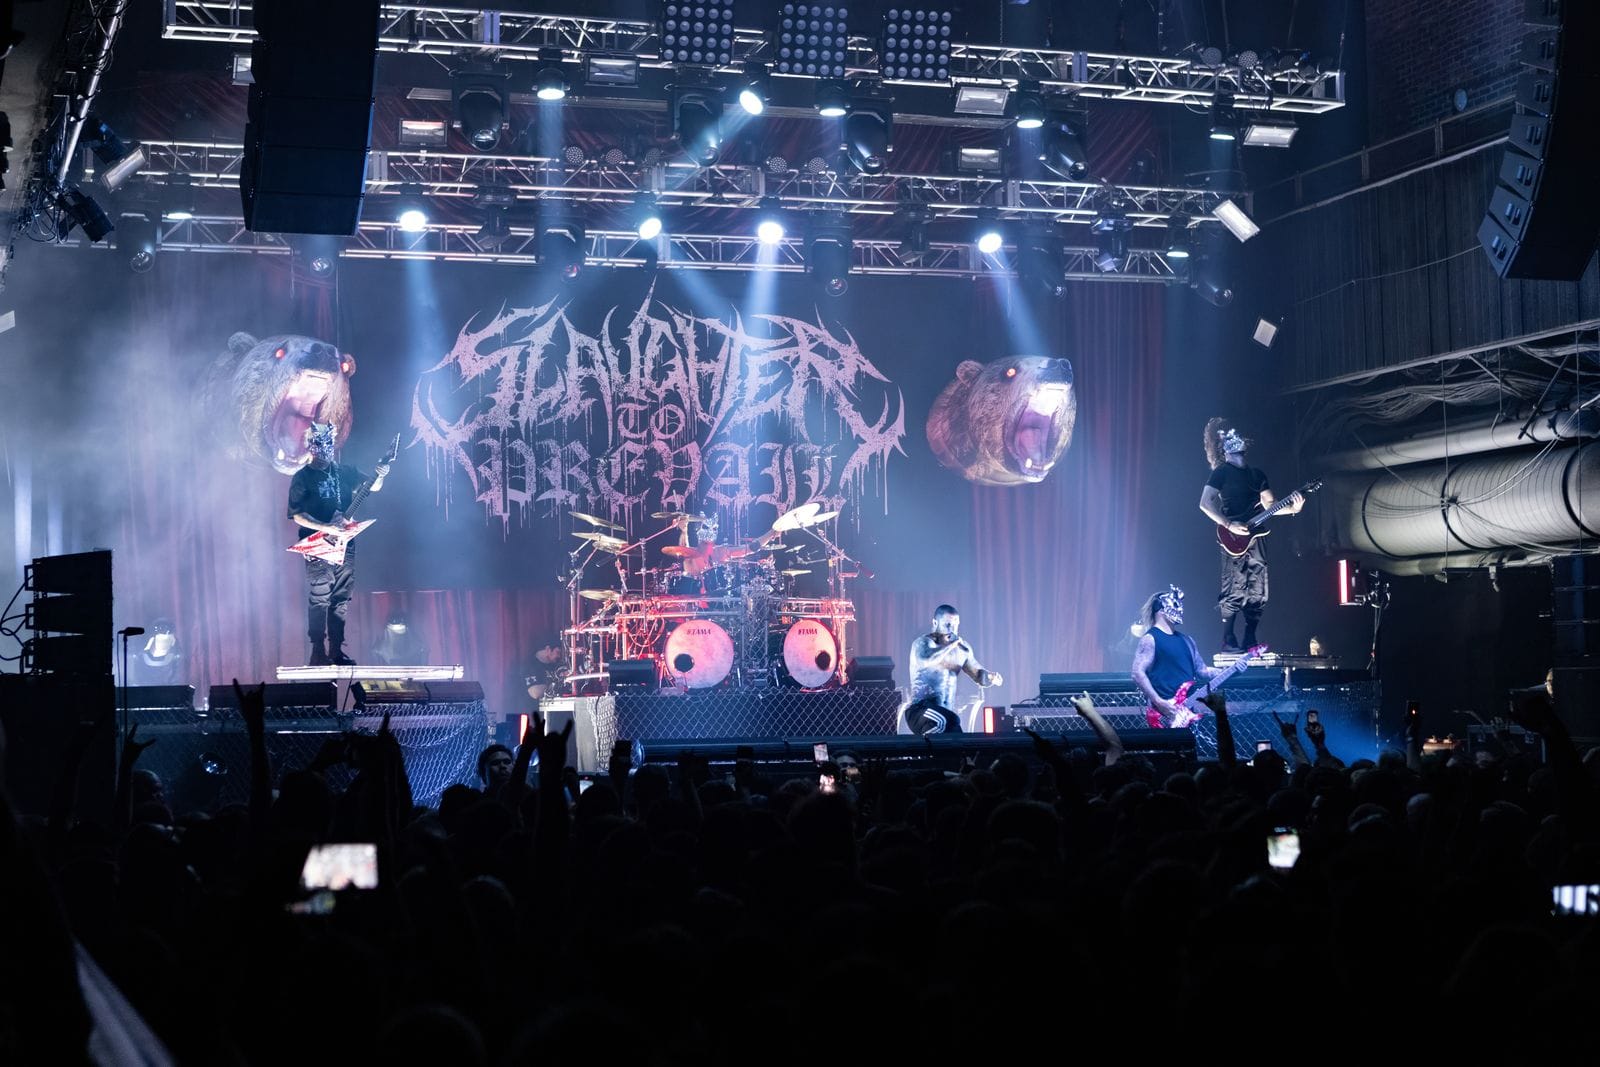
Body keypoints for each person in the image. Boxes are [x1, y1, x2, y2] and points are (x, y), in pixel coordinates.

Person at [288, 422, 389, 665]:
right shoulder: (303, 477)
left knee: (341, 596)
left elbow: (372, 486)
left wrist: (381, 474)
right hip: (317, 544)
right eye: (321, 445)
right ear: (312, 446)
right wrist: (327, 528)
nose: (326, 451)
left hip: (345, 543)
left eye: (329, 445)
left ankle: (336, 649)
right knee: (320, 594)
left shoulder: (345, 472)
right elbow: (297, 514)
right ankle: (317, 650)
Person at [1197, 418, 1302, 652]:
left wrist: (1294, 508)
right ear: (1224, 448)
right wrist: (1228, 524)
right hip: (1233, 536)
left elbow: (1271, 505)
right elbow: (1205, 503)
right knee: (1234, 584)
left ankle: (1250, 636)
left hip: (1257, 535)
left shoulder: (1257, 475)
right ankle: (1228, 638)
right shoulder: (1221, 472)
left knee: (1258, 586)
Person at [1130, 585, 1223, 729]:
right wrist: (1159, 701)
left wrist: (1232, 669)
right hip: (1163, 714)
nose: (1180, 608)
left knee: (1189, 750)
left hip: (1187, 711)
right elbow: (1137, 673)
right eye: (1175, 604)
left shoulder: (1188, 640)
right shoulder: (1150, 638)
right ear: (1160, 609)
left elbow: (1202, 671)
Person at [903, 604, 1002, 734]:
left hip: (946, 715)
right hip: (920, 711)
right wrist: (950, 645)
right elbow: (926, 660)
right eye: (948, 624)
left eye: (956, 625)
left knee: (958, 739)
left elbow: (978, 676)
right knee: (947, 720)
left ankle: (934, 753)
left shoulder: (962, 650)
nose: (952, 629)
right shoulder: (923, 643)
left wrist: (991, 677)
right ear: (935, 622)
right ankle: (923, 748)